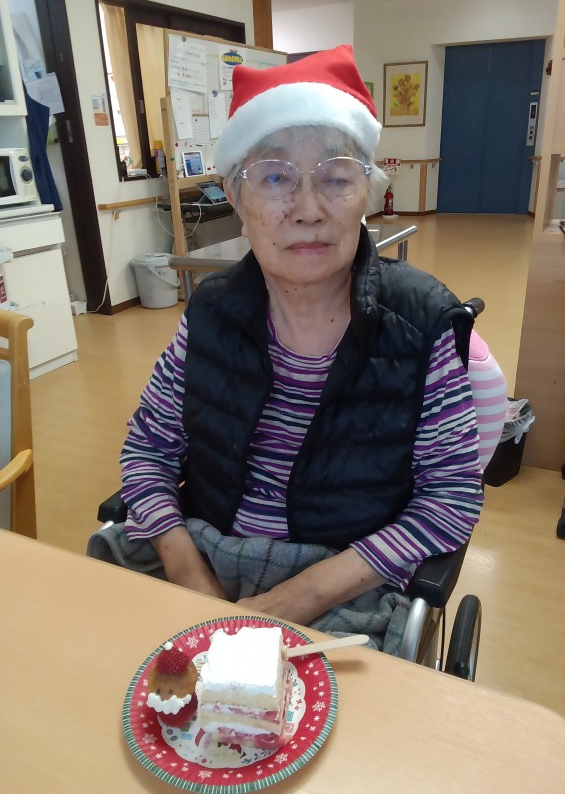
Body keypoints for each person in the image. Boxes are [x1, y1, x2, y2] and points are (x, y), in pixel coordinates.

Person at [119, 45, 483, 629]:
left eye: (336, 177)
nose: (308, 209)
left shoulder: (423, 323)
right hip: (204, 559)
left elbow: (450, 498)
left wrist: (295, 600)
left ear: (367, 192)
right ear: (235, 196)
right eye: (274, 177)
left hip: (346, 586)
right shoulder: (210, 312)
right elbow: (147, 452)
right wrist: (192, 582)